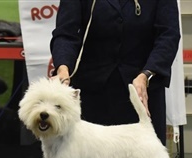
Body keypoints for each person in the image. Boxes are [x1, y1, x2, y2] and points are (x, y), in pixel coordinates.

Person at [49, 0, 181, 145]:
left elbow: (169, 35)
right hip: (92, 93)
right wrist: (63, 68)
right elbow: (66, 33)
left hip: (142, 91)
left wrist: (147, 74)